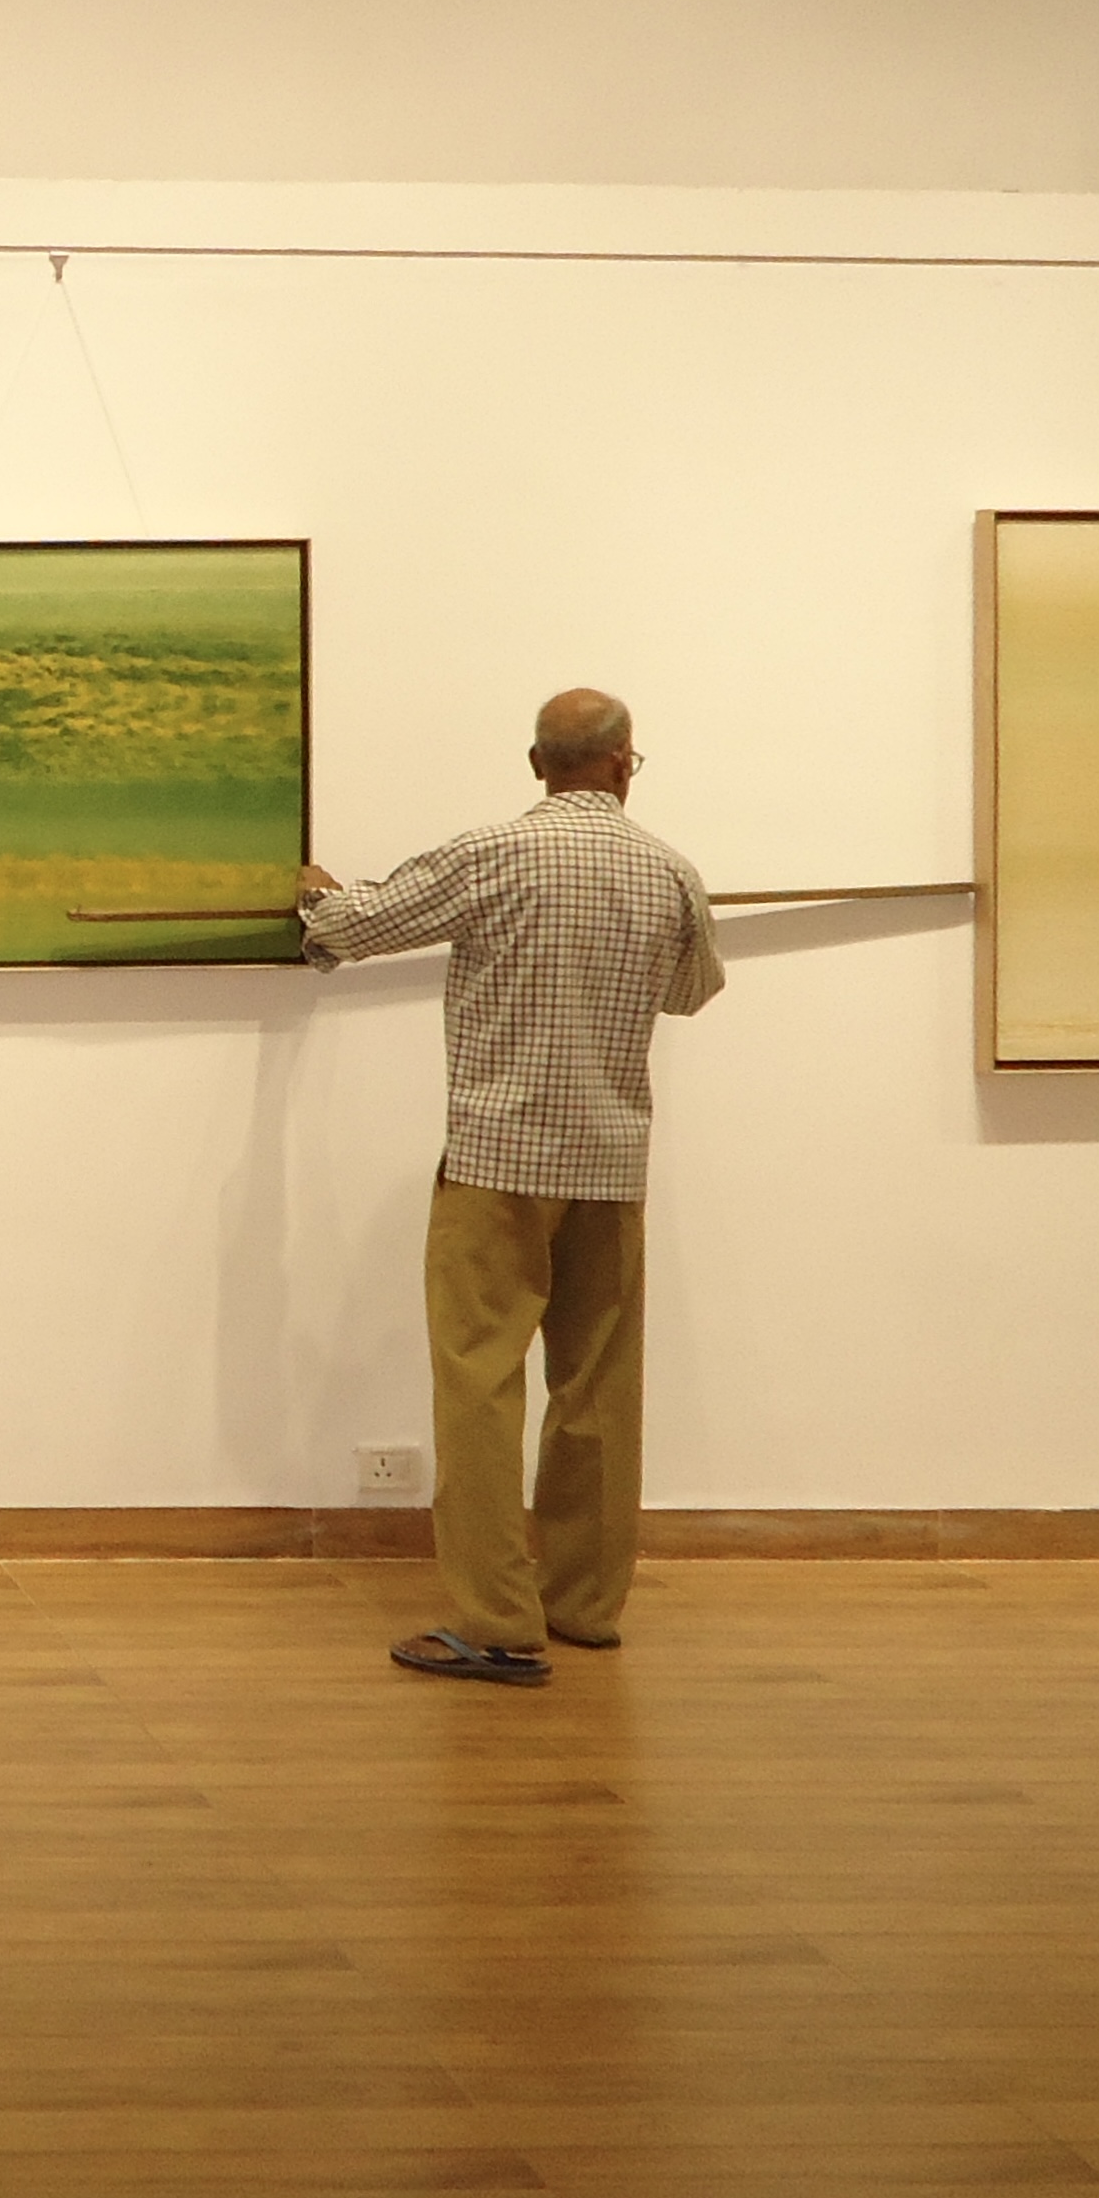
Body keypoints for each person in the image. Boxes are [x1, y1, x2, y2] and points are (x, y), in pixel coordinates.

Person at [295, 688, 723, 1687]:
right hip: (609, 1168)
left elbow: (357, 924)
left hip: (497, 1165)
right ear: (622, 762)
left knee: (480, 1386)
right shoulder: (669, 869)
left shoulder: (492, 854)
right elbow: (690, 991)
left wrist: (317, 896)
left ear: (537, 764)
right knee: (599, 1391)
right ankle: (584, 1606)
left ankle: (495, 1620)